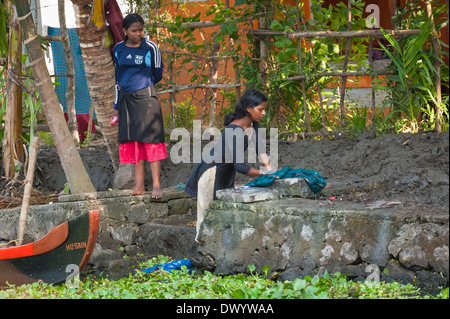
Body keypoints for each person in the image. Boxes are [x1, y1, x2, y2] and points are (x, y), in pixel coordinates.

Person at [184, 88, 273, 242]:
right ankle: (202, 254)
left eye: (264, 110)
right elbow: (240, 166)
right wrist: (263, 173)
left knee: (220, 215)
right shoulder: (234, 130)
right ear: (248, 109)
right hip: (211, 172)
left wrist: (271, 169)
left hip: (225, 172)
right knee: (207, 218)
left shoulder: (252, 125)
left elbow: (260, 149)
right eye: (261, 110)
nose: (263, 113)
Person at [111, 13, 166, 199]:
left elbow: (157, 74)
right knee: (135, 143)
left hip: (146, 99)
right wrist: (116, 105)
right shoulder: (118, 49)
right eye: (134, 30)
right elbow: (117, 78)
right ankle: (139, 185)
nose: (139, 33)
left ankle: (157, 185)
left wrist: (141, 85)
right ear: (125, 31)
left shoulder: (150, 48)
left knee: (152, 141)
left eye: (141, 30)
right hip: (127, 101)